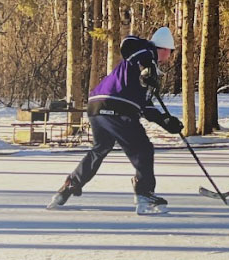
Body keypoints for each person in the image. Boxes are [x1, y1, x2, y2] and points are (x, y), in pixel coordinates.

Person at [47, 27, 184, 215]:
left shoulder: (146, 67)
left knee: (100, 148)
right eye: (171, 52)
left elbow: (144, 105)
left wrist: (166, 121)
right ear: (166, 49)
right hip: (116, 107)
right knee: (143, 148)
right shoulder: (145, 52)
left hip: (97, 107)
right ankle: (144, 193)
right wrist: (147, 67)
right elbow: (128, 44)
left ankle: (70, 185)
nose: (169, 57)